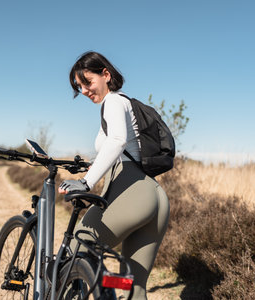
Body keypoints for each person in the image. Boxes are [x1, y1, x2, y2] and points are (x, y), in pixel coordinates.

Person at [58, 51, 170, 300]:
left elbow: (117, 141)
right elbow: (119, 149)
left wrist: (86, 182)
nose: (85, 90)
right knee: (133, 288)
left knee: (78, 247)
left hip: (132, 191)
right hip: (155, 197)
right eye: (80, 86)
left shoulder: (113, 101)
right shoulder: (124, 104)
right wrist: (90, 167)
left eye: (87, 82)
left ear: (105, 75)